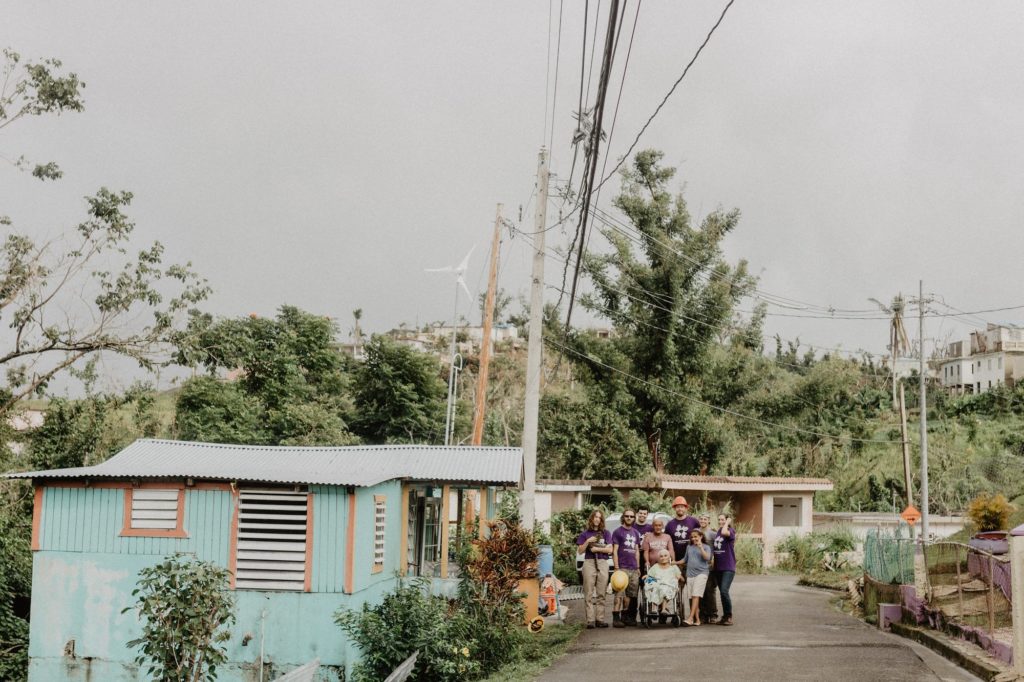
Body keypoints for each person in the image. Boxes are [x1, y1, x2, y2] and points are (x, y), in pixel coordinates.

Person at [576, 509, 613, 629]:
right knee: (589, 592)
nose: (597, 519)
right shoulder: (585, 534)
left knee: (601, 593)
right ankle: (590, 620)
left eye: (599, 517)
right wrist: (587, 541)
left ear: (602, 520)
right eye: (595, 517)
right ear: (591, 519)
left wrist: (597, 549)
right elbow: (580, 551)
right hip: (589, 563)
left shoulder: (606, 533)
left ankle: (600, 619)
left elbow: (610, 550)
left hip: (602, 562)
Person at [612, 508, 642, 627]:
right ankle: (615, 618)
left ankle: (625, 617)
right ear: (623, 517)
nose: (629, 518)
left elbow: (636, 551)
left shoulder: (635, 532)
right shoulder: (617, 532)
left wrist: (638, 567)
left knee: (630, 595)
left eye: (631, 516)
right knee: (619, 594)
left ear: (634, 518)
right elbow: (614, 551)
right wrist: (616, 567)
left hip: (633, 568)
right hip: (622, 568)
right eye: (627, 516)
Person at [681, 529, 712, 626]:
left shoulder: (706, 547)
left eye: (696, 536)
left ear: (701, 536)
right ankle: (697, 620)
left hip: (702, 573)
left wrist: (700, 547)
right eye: (692, 537)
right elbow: (684, 560)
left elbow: (707, 558)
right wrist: (672, 563)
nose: (694, 538)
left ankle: (690, 618)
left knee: (695, 595)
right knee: (692, 597)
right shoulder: (689, 547)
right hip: (690, 574)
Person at [712, 514, 737, 626]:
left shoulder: (730, 531)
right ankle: (724, 617)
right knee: (722, 593)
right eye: (719, 519)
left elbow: (724, 532)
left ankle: (729, 616)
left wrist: (727, 523)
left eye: (723, 519)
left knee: (724, 591)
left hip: (728, 567)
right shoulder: (718, 531)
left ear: (727, 520)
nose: (720, 521)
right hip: (718, 568)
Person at [665, 496, 699, 569]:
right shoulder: (670, 524)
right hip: (676, 559)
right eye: (677, 507)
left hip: (692, 558)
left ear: (686, 508)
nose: (680, 509)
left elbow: (702, 535)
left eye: (682, 507)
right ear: (674, 508)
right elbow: (666, 541)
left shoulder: (694, 521)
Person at [643, 550, 682, 615]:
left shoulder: (673, 567)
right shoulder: (655, 566)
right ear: (658, 558)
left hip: (668, 586)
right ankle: (654, 608)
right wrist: (647, 576)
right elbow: (650, 576)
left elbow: (679, 577)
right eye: (661, 556)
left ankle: (663, 609)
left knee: (665, 587)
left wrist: (678, 577)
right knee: (653, 585)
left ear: (669, 557)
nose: (663, 558)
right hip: (657, 585)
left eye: (665, 556)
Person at [698, 513, 719, 623]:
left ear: (708, 521)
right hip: (698, 566)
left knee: (710, 590)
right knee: (700, 591)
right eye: (701, 519)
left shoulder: (713, 534)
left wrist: (714, 560)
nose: (702, 520)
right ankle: (703, 615)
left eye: (705, 519)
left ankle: (713, 614)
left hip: (709, 566)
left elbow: (717, 549)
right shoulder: (696, 532)